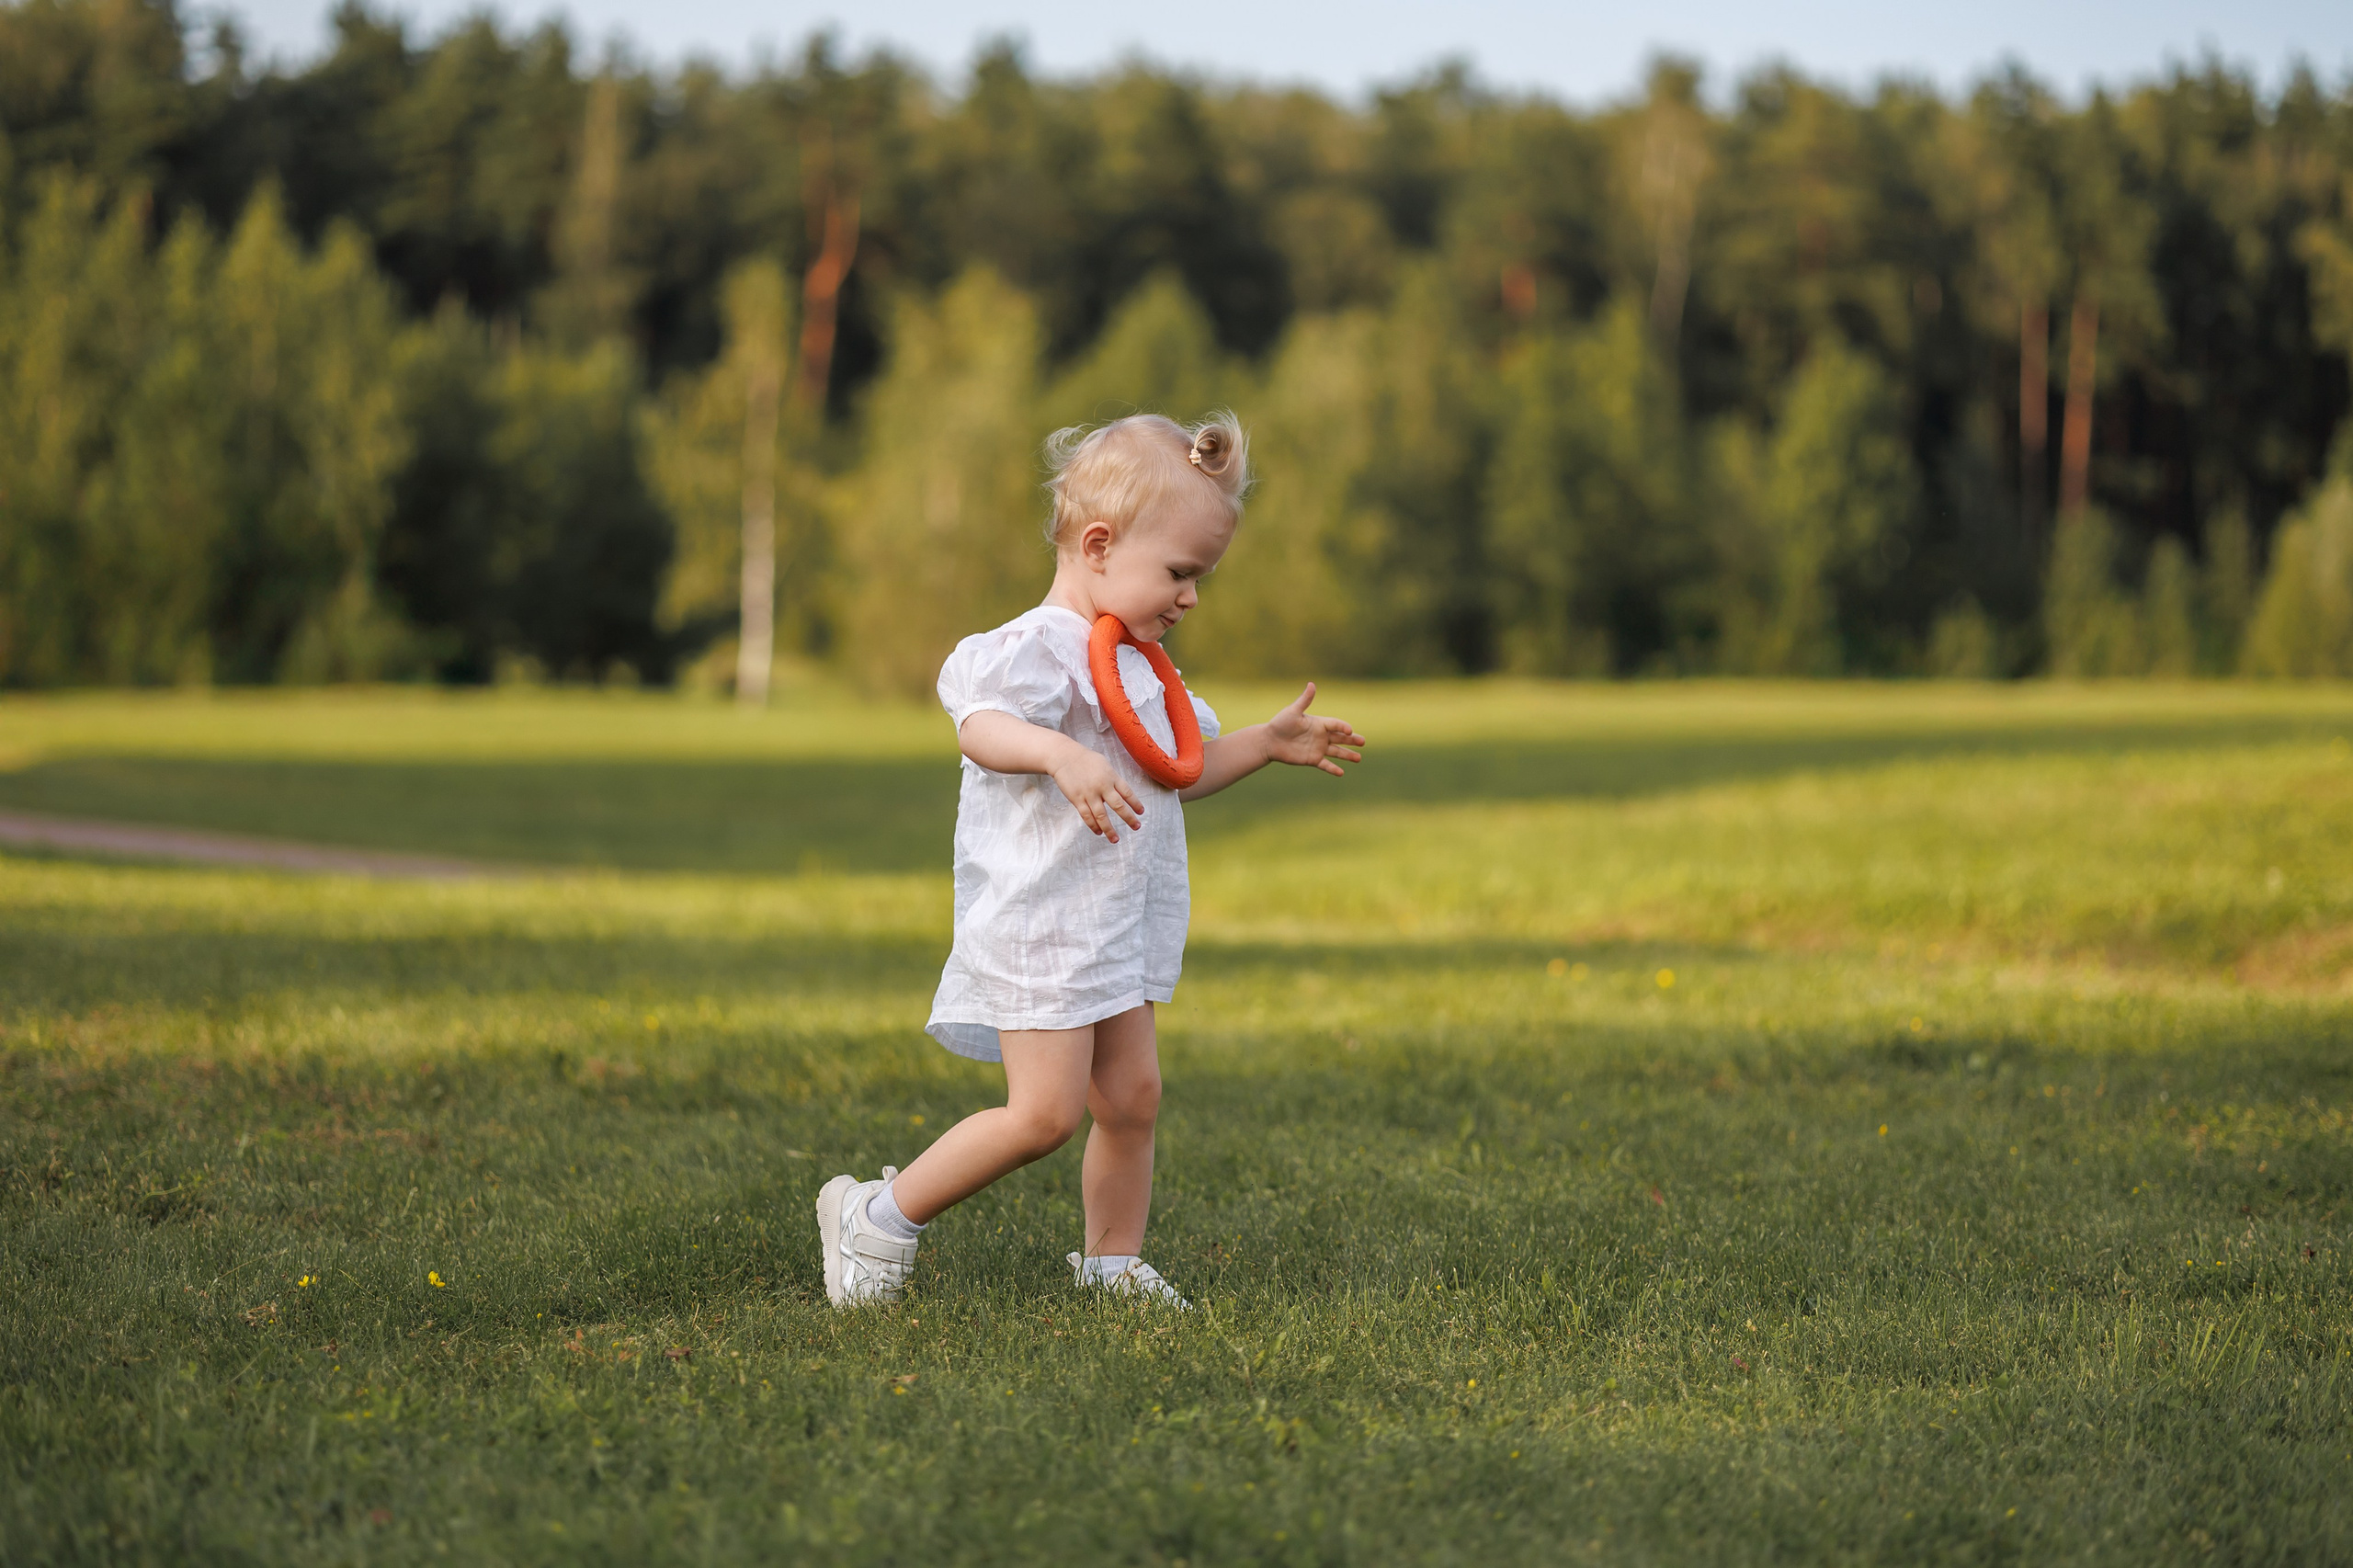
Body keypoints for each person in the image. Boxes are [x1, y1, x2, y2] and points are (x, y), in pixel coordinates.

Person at [817, 412, 1366, 1309]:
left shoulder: (1142, 665)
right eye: (1180, 573)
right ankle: (875, 1215)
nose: (1191, 598)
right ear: (1100, 545)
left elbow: (1177, 771)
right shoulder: (1037, 648)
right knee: (1043, 1115)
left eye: (1201, 578)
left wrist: (1266, 742)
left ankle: (1112, 1265)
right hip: (1042, 923)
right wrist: (1058, 753)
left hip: (1111, 923)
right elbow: (980, 727)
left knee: (1133, 1097)